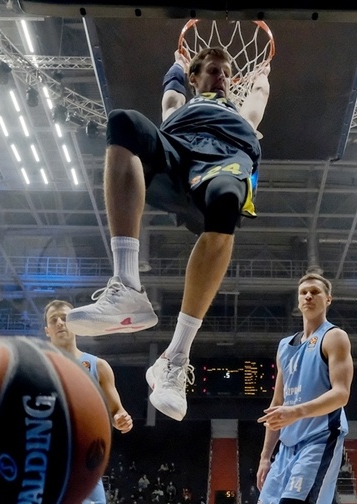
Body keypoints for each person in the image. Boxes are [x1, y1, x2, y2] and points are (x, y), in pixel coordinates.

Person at [66, 45, 271, 422]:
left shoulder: (241, 113)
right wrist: (176, 64)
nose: (221, 74)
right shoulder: (181, 105)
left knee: (227, 200)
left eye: (226, 71)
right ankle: (127, 286)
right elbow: (172, 90)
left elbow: (258, 96)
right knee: (123, 121)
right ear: (195, 78)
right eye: (212, 69)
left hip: (225, 162)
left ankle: (175, 359)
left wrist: (262, 77)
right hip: (177, 157)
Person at [256, 273, 353, 504]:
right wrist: (264, 457)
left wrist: (297, 411)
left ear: (328, 299)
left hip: (319, 439)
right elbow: (277, 404)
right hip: (286, 448)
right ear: (298, 301)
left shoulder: (334, 337)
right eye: (303, 292)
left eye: (315, 292)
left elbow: (341, 394)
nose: (308, 296)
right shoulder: (284, 346)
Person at [44, 300, 134, 504]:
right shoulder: (37, 367)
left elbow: (117, 412)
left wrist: (122, 419)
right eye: (53, 319)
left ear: (76, 323)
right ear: (47, 330)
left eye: (65, 318)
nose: (59, 322)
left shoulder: (98, 366)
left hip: (87, 465)